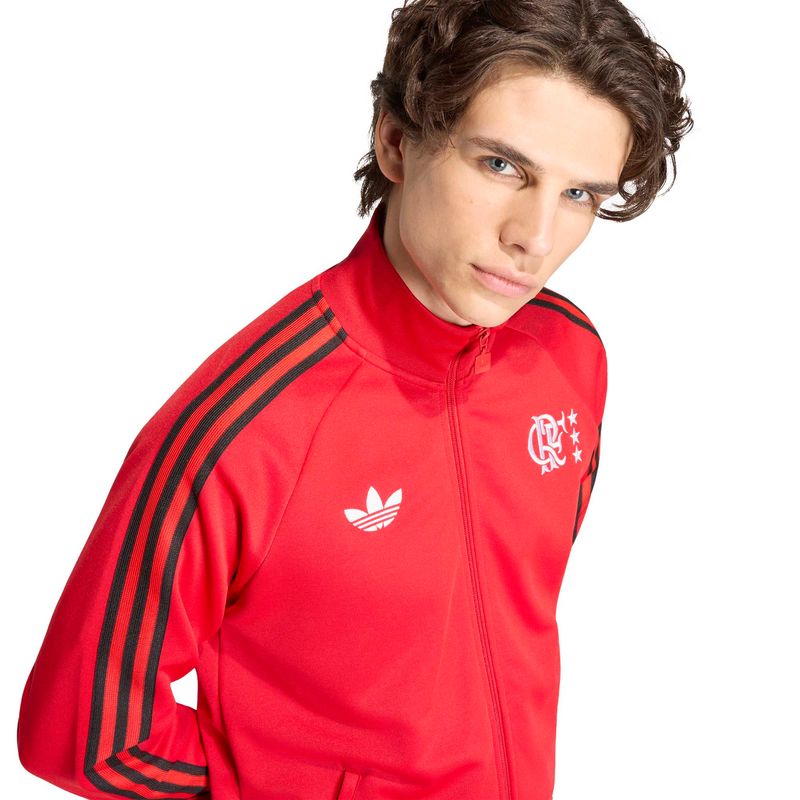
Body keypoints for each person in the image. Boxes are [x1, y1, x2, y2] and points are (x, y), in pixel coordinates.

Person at [17, 1, 693, 798]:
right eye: (501, 166)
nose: (535, 238)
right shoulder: (244, 427)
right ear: (396, 141)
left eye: (578, 193)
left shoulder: (570, 356)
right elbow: (83, 734)